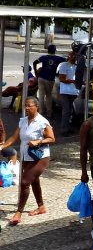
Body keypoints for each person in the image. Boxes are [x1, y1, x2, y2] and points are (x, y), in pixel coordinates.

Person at [0, 96, 55, 226]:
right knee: (34, 181)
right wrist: (2, 146)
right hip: (26, 156)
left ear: (37, 106)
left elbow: (52, 138)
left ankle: (18, 213)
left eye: (29, 105)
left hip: (40, 157)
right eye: (25, 105)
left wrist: (39, 141)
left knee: (24, 182)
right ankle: (41, 207)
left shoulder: (42, 122)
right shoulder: (23, 121)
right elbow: (14, 137)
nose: (27, 107)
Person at [33, 44, 65, 118]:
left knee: (41, 95)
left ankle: (41, 112)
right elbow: (67, 60)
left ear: (48, 50)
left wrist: (36, 72)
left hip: (41, 77)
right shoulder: (58, 58)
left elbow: (35, 62)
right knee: (48, 95)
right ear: (55, 51)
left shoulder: (43, 57)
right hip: (50, 79)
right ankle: (49, 112)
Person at [57, 51, 80, 136]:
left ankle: (67, 128)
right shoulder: (64, 65)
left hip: (73, 91)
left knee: (70, 111)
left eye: (75, 57)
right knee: (66, 111)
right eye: (73, 56)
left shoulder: (75, 66)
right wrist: (73, 81)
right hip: (65, 91)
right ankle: (63, 130)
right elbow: (62, 79)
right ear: (69, 56)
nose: (74, 58)